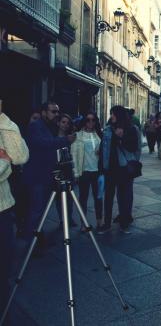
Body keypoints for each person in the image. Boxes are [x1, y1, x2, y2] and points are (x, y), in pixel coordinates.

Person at [23, 101, 76, 248]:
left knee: (41, 210)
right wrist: (65, 140)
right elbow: (43, 143)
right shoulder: (36, 126)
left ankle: (37, 240)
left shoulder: (47, 126)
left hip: (45, 175)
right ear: (44, 112)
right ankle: (31, 244)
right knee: (36, 210)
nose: (56, 114)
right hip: (37, 176)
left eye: (57, 111)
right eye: (53, 111)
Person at [0, 107, 29, 316]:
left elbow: (20, 155)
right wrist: (3, 161)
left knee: (4, 268)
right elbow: (7, 161)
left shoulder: (3, 125)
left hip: (3, 208)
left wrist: (1, 118)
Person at [97, 106, 140, 234]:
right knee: (108, 197)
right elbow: (103, 148)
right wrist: (101, 167)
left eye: (113, 114)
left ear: (119, 115)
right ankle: (107, 223)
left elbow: (133, 147)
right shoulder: (108, 129)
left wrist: (121, 138)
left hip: (123, 168)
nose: (111, 116)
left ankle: (124, 223)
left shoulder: (131, 129)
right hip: (109, 168)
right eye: (111, 114)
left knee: (123, 197)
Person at [71, 112, 103, 231]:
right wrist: (75, 173)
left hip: (97, 171)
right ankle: (83, 223)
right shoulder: (78, 135)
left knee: (98, 197)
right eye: (88, 120)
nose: (90, 122)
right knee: (83, 198)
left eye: (93, 120)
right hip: (84, 171)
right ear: (84, 121)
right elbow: (73, 155)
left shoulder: (99, 134)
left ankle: (100, 221)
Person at [55, 113, 76, 227]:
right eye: (63, 122)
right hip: (58, 170)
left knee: (70, 195)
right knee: (59, 196)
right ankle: (62, 219)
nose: (65, 125)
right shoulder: (53, 137)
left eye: (67, 123)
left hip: (68, 169)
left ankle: (69, 217)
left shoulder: (71, 138)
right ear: (58, 123)